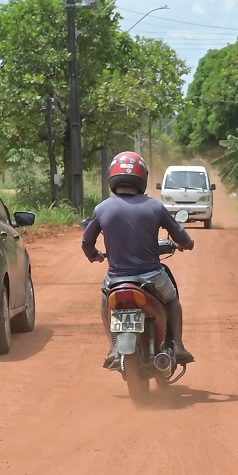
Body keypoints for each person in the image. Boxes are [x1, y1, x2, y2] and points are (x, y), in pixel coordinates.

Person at [82, 150, 196, 365]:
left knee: (106, 302)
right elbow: (182, 237)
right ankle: (178, 346)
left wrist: (95, 256)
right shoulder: (154, 206)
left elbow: (87, 243)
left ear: (112, 177)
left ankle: (113, 348)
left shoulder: (102, 208)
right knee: (172, 301)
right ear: (142, 177)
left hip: (116, 280)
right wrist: (186, 244)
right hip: (152, 278)